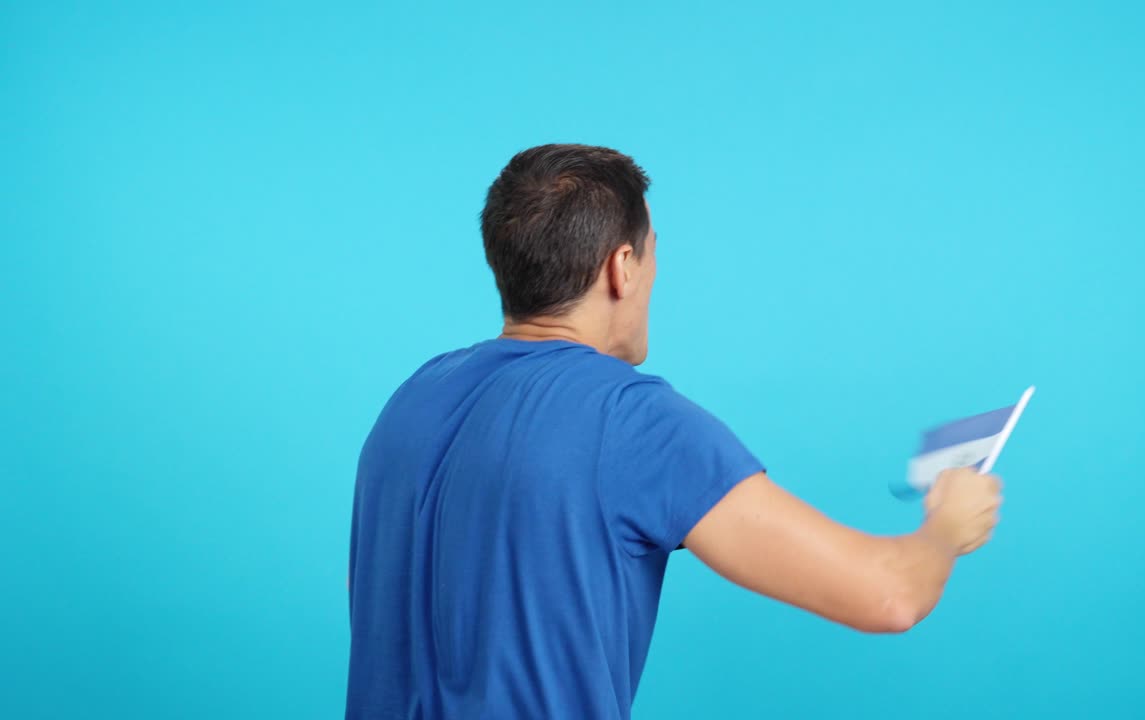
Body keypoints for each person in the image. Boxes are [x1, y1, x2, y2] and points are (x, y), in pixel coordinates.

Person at [345, 144, 1003, 720]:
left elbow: (385, 600)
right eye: (655, 254)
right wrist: (945, 528)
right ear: (621, 266)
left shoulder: (411, 401)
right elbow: (886, 595)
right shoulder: (630, 420)